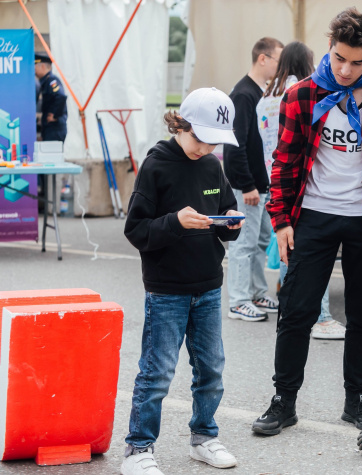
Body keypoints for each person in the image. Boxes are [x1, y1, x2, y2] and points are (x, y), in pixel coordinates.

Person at [252, 7, 362, 436]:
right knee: (296, 311)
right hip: (313, 215)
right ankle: (284, 401)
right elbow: (285, 164)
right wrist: (280, 220)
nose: (346, 70)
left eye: (358, 62)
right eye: (339, 59)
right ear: (329, 48)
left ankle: (356, 401)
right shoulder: (302, 96)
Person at [121, 88, 243, 475]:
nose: (208, 148)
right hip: (166, 291)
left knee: (211, 369)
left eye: (215, 141)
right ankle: (138, 449)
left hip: (208, 285)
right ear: (182, 125)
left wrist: (231, 220)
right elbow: (136, 230)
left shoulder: (212, 166)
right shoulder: (156, 165)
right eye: (202, 138)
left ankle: (204, 437)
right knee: (157, 371)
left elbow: (222, 213)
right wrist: (175, 222)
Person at [256, 40, 346, 340]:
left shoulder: (267, 94)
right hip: (300, 179)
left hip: (274, 176)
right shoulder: (301, 91)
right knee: (307, 253)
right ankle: (319, 317)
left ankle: (289, 304)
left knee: (287, 248)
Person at [224, 37, 284, 322]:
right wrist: (247, 185)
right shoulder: (243, 94)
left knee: (260, 241)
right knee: (242, 243)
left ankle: (258, 291)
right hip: (247, 186)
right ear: (263, 58)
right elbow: (234, 145)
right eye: (277, 60)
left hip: (261, 185)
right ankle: (238, 300)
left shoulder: (262, 93)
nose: (280, 66)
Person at [34, 53, 67, 142]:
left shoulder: (52, 81)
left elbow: (61, 96)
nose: (34, 70)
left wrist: (54, 115)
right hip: (50, 128)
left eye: (35, 67)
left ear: (43, 66)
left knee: (52, 154)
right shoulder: (45, 82)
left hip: (54, 128)